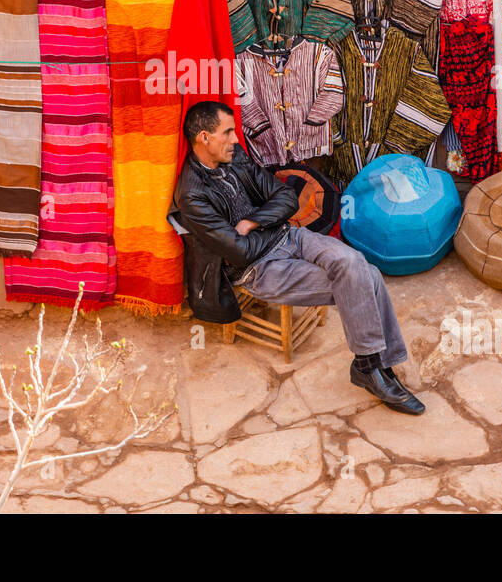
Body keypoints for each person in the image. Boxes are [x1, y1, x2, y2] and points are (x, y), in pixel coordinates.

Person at [169, 100, 424, 415]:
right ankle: (375, 368)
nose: (236, 139)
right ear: (203, 138)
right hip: (258, 269)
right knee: (366, 277)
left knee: (354, 264)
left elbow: (287, 197)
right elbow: (239, 251)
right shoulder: (192, 195)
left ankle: (370, 365)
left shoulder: (235, 159)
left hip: (289, 236)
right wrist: (266, 225)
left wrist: (254, 221)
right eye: (228, 132)